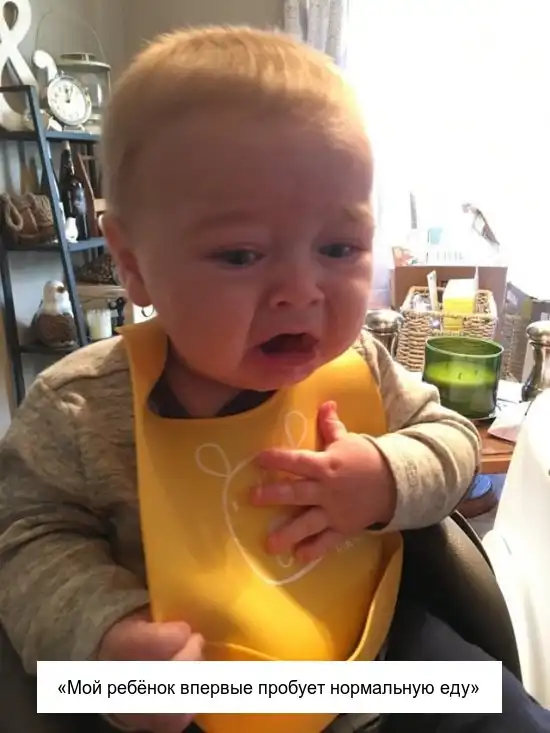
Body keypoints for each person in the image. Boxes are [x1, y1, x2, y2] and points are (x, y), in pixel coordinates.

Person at [0, 25, 547, 733]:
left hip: (376, 664)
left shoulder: (359, 366)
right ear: (133, 265)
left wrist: (386, 474)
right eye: (240, 255)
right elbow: (24, 537)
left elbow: (454, 442)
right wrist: (103, 639)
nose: (300, 291)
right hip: (192, 696)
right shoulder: (79, 407)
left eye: (338, 247)